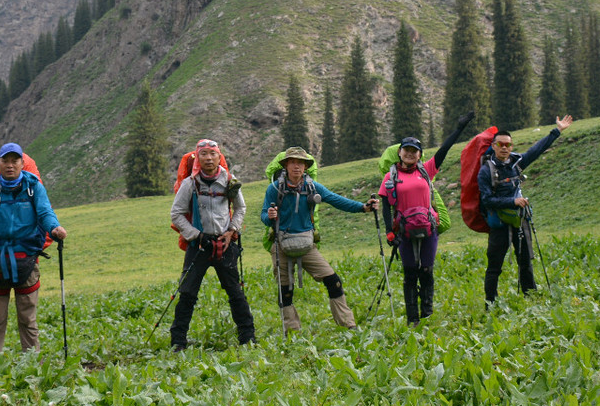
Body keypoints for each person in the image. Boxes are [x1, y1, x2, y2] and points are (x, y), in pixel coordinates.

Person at [0, 143, 67, 353]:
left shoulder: (34, 187)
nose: (10, 165)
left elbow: (45, 212)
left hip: (27, 259)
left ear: (22, 163)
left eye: (14, 160)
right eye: (5, 161)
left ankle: (32, 367)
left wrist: (55, 228)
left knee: (27, 319)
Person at [260, 146, 377, 333]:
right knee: (285, 290)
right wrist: (270, 216)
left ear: (306, 166)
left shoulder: (312, 187)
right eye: (292, 162)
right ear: (286, 165)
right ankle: (292, 331)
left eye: (300, 163)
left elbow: (335, 199)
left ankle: (348, 325)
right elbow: (264, 215)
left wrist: (362, 207)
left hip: (307, 245)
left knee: (333, 280)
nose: (296, 166)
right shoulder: (274, 189)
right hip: (280, 244)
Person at [168, 138, 255, 350]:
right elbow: (176, 214)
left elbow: (240, 208)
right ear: (197, 158)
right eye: (204, 154)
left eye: (212, 154)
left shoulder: (230, 181)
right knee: (187, 292)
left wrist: (232, 231)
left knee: (234, 291)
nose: (209, 158)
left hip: (225, 245)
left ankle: (248, 338)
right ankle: (178, 342)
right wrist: (196, 235)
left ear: (219, 157)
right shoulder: (190, 183)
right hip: (198, 245)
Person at [479, 116, 573, 304]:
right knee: (494, 266)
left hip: (520, 219)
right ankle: (491, 304)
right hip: (499, 222)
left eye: (508, 144)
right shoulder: (486, 171)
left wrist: (557, 131)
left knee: (525, 261)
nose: (505, 148)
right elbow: (487, 200)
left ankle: (531, 299)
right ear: (494, 146)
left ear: (511, 146)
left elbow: (536, 150)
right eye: (501, 144)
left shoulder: (517, 162)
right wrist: (513, 202)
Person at [377, 134, 455, 324]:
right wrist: (389, 231)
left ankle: (427, 315)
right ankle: (413, 319)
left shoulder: (427, 170)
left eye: (414, 151)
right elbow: (386, 206)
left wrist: (459, 128)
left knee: (427, 270)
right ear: (399, 152)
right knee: (410, 272)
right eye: (407, 150)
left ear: (420, 155)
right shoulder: (390, 176)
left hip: (429, 228)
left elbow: (443, 151)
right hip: (404, 231)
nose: (410, 154)